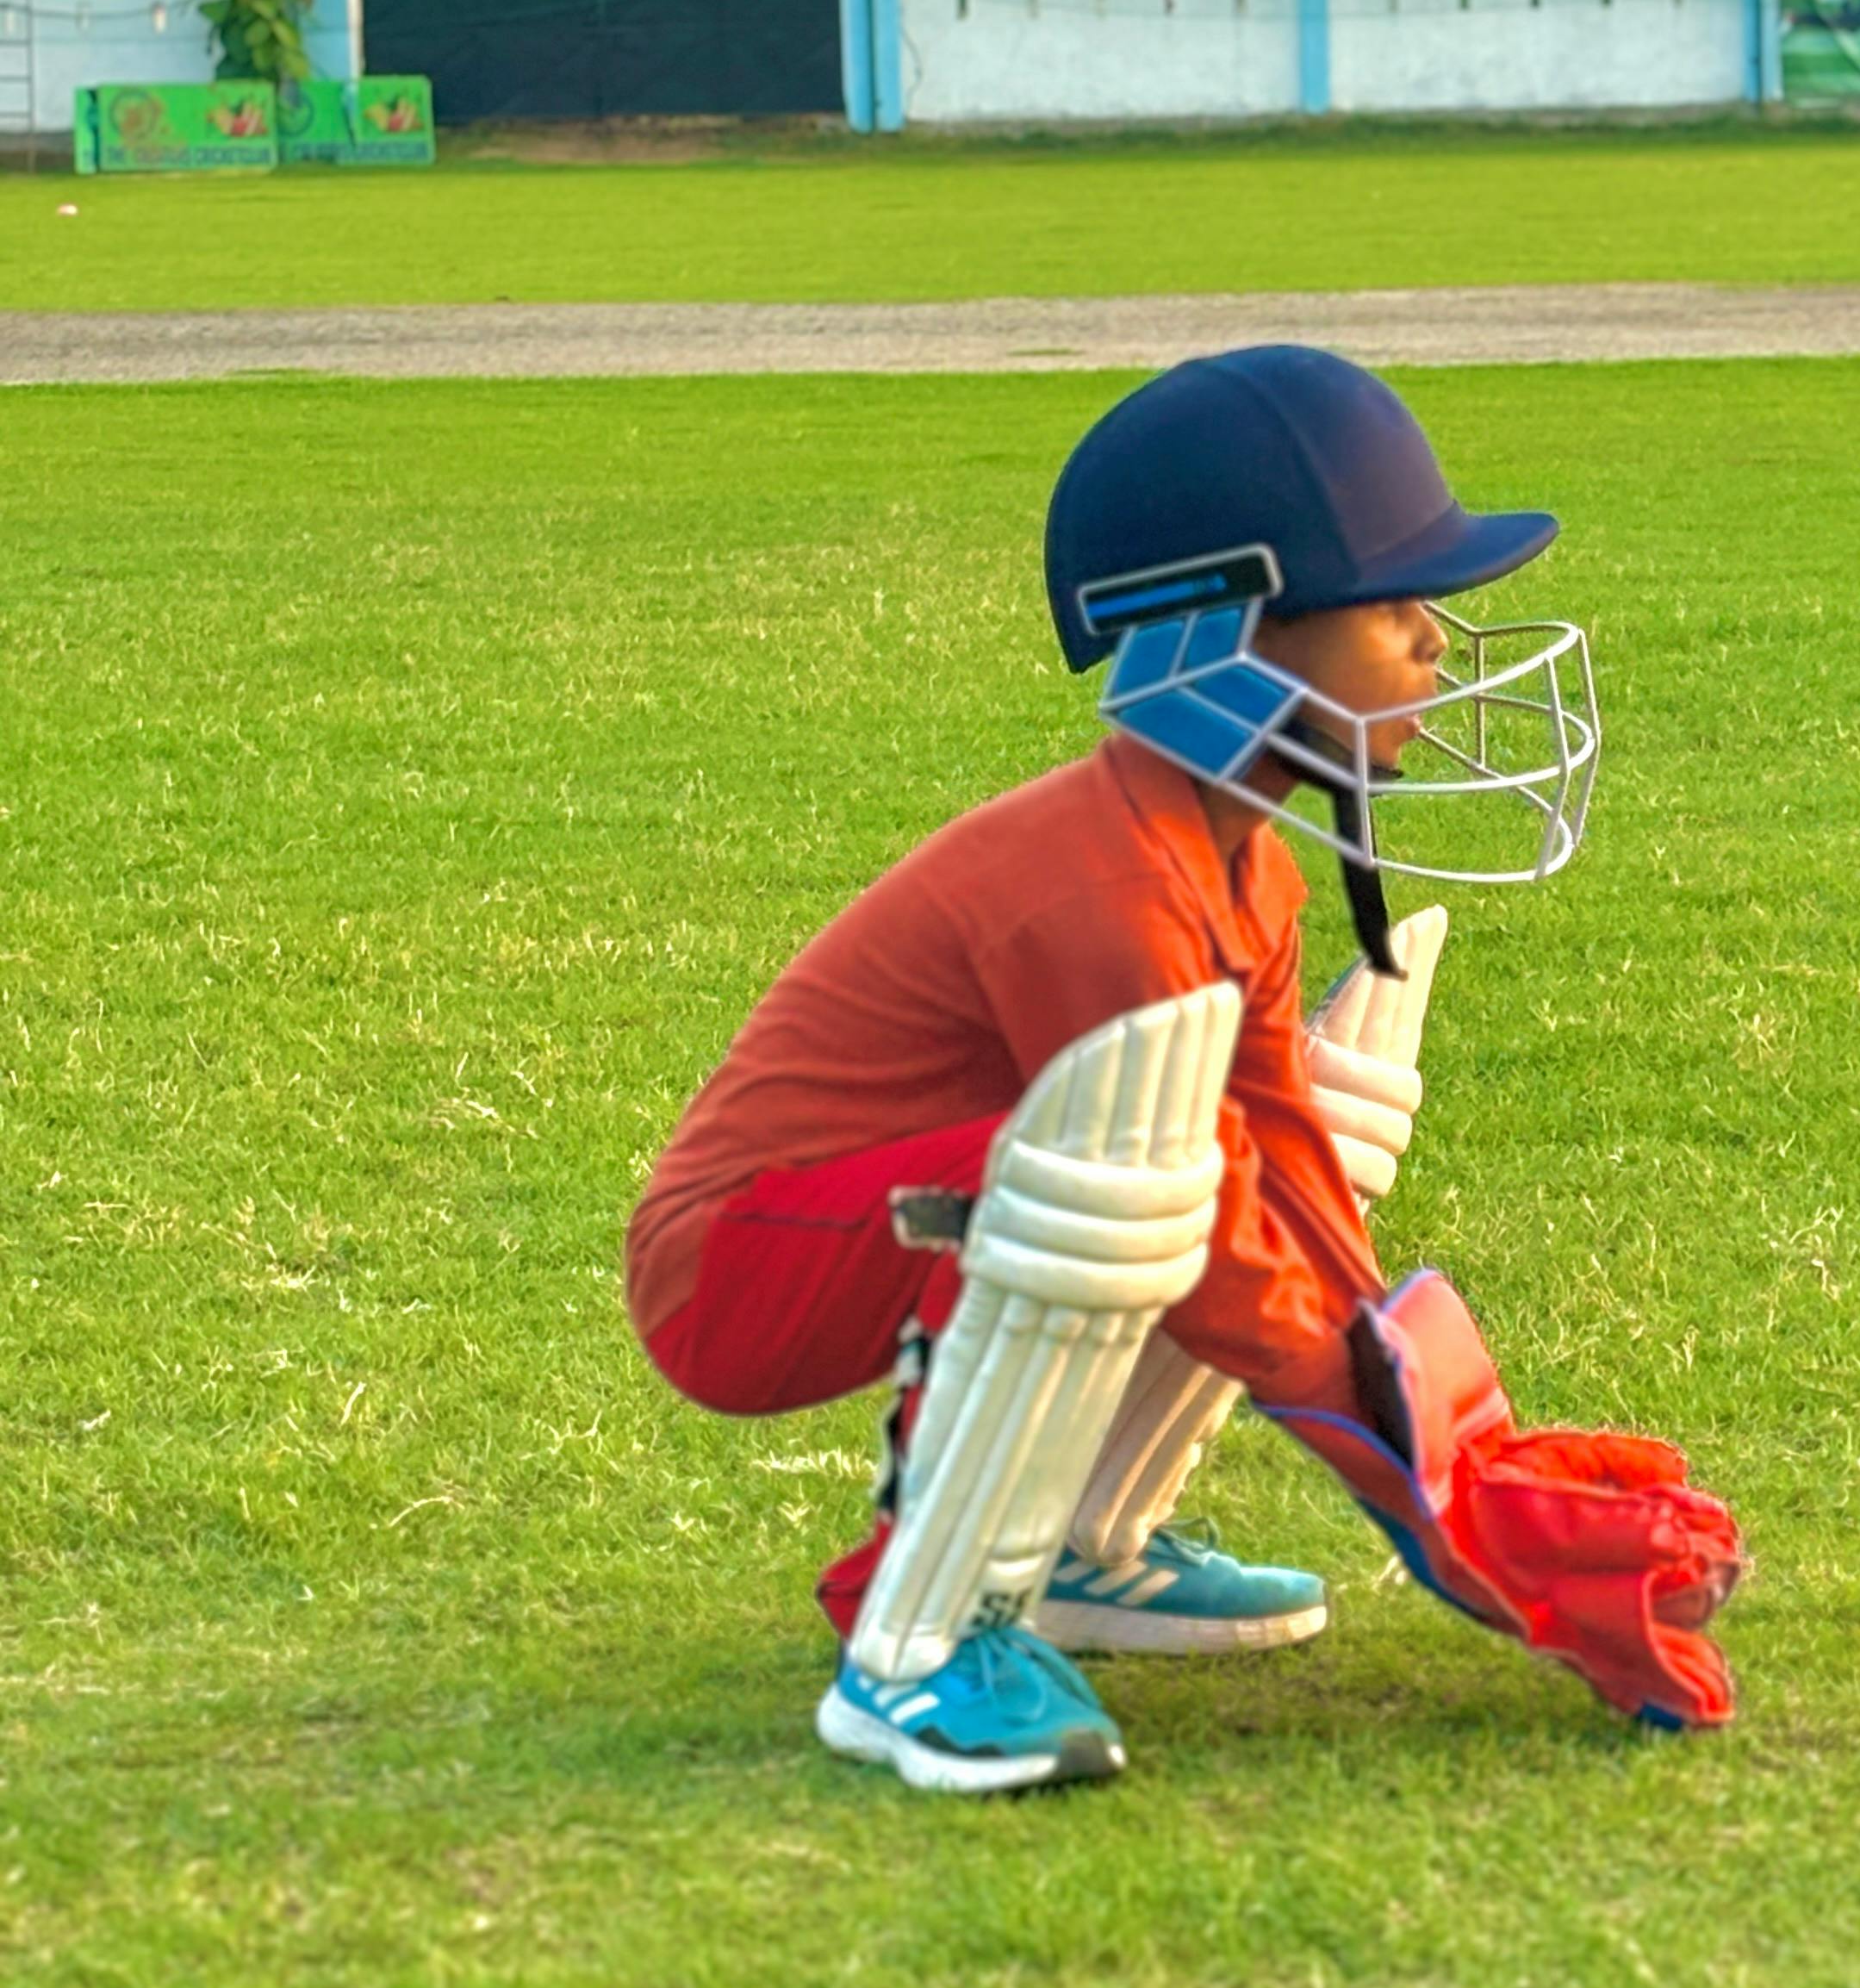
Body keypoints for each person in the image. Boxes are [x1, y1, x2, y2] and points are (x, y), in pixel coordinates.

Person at [625, 345, 1744, 1793]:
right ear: (1226, 634)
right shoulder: (1104, 886)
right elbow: (1212, 1237)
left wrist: (1456, 1445)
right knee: (1131, 1176)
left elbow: (1285, 1179)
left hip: (924, 1205)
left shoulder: (1246, 867)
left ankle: (1085, 1548)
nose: (1438, 646)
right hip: (738, 1269)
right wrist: (1433, 1513)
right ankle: (915, 1642)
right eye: (1392, 606)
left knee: (1288, 1141)